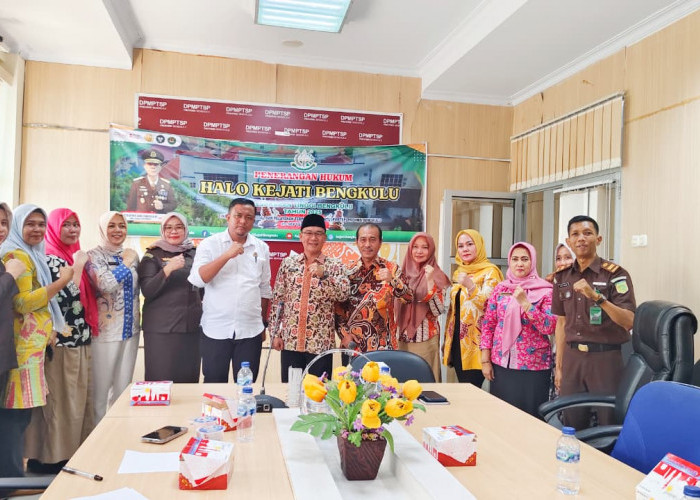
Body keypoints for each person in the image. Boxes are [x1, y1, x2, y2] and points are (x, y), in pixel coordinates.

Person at [0, 204, 73, 477]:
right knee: (14, 416)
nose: (37, 229)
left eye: (41, 224)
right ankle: (10, 480)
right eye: (29, 224)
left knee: (20, 416)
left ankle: (12, 477)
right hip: (21, 349)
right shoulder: (16, 255)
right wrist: (62, 282)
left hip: (31, 348)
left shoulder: (33, 255)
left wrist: (50, 327)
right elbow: (22, 303)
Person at [24, 208, 97, 473]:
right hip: (61, 342)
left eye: (76, 224)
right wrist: (78, 265)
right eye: (66, 225)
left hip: (79, 340)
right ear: (55, 228)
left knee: (75, 402)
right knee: (60, 403)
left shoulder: (70, 256)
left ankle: (70, 454)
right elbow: (67, 297)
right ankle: (50, 459)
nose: (72, 230)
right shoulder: (51, 258)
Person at [552, 215, 636, 429]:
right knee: (571, 423)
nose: (581, 238)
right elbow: (561, 323)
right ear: (569, 241)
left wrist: (597, 297)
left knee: (608, 423)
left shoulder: (615, 275)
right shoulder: (562, 278)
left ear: (598, 239)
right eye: (575, 234)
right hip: (572, 359)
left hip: (605, 359)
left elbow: (629, 321)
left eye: (587, 233)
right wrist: (559, 366)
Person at [188, 198, 272, 383]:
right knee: (214, 384)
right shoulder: (209, 244)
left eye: (248, 217)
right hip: (215, 329)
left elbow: (264, 289)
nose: (243, 221)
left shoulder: (262, 248)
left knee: (247, 385)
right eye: (238, 216)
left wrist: (262, 324)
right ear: (228, 217)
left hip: (250, 330)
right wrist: (227, 255)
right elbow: (198, 280)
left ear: (254, 221)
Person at [269, 214, 350, 381]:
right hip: (291, 342)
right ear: (301, 236)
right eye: (308, 233)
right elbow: (278, 300)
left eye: (318, 233)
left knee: (319, 392)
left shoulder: (335, 265)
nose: (313, 238)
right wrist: (275, 333)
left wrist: (324, 276)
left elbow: (343, 294)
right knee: (291, 390)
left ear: (325, 238)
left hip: (320, 344)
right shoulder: (288, 264)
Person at [480, 242, 556, 417]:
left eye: (524, 259)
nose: (519, 264)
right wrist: (485, 360)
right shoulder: (501, 289)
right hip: (501, 365)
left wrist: (526, 304)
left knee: (530, 418)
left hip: (533, 367)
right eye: (515, 259)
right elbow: (489, 324)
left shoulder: (546, 291)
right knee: (502, 416)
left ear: (532, 261)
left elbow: (549, 326)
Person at [87, 211, 140, 423]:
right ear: (102, 229)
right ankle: (97, 436)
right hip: (105, 333)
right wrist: (126, 263)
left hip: (131, 331)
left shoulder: (131, 254)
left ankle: (117, 432)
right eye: (112, 226)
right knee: (100, 394)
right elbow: (105, 285)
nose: (118, 230)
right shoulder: (93, 256)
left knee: (123, 390)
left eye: (122, 226)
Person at [138, 212, 202, 382]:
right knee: (160, 380)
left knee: (188, 381)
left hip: (191, 328)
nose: (173, 231)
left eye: (178, 227)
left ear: (185, 229)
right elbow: (147, 290)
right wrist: (168, 269)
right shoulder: (152, 254)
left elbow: (202, 287)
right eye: (168, 227)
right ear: (163, 230)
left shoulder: (194, 253)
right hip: (161, 330)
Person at [335, 223, 413, 363]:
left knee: (383, 378)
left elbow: (408, 298)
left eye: (372, 239)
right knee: (350, 378)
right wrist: (344, 335)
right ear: (357, 242)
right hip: (353, 346)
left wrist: (393, 281)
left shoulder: (392, 269)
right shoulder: (347, 271)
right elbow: (337, 308)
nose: (367, 244)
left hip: (383, 347)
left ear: (380, 242)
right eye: (363, 240)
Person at [443, 229, 503, 387]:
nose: (465, 249)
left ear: (479, 246)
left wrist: (471, 287)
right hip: (458, 343)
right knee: (464, 389)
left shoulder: (490, 272)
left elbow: (491, 307)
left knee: (472, 389)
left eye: (470, 244)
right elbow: (454, 311)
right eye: (461, 246)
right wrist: (447, 342)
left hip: (479, 344)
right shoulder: (460, 272)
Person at [396, 232, 450, 382]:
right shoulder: (402, 274)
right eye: (415, 247)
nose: (419, 251)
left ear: (431, 250)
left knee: (425, 383)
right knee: (403, 383)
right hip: (402, 338)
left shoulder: (437, 275)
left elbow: (438, 310)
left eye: (424, 247)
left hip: (425, 339)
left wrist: (430, 282)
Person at [126, 148, 176, 213]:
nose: (153, 167)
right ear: (145, 166)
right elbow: (131, 206)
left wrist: (163, 206)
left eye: (156, 164)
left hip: (160, 219)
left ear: (160, 167)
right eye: (150, 164)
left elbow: (173, 205)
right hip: (142, 219)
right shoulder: (137, 183)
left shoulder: (166, 185)